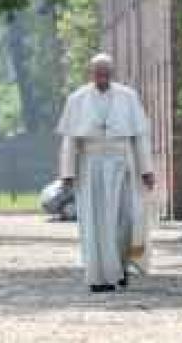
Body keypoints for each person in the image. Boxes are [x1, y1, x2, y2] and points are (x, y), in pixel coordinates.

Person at [57, 53, 156, 292]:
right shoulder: (77, 99)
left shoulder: (128, 97)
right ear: (90, 74)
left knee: (124, 220)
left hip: (122, 165)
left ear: (112, 73)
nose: (102, 78)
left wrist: (146, 170)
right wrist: (67, 173)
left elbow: (139, 137)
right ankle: (98, 276)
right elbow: (70, 140)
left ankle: (120, 268)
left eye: (106, 73)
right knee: (94, 221)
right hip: (90, 167)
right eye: (97, 73)